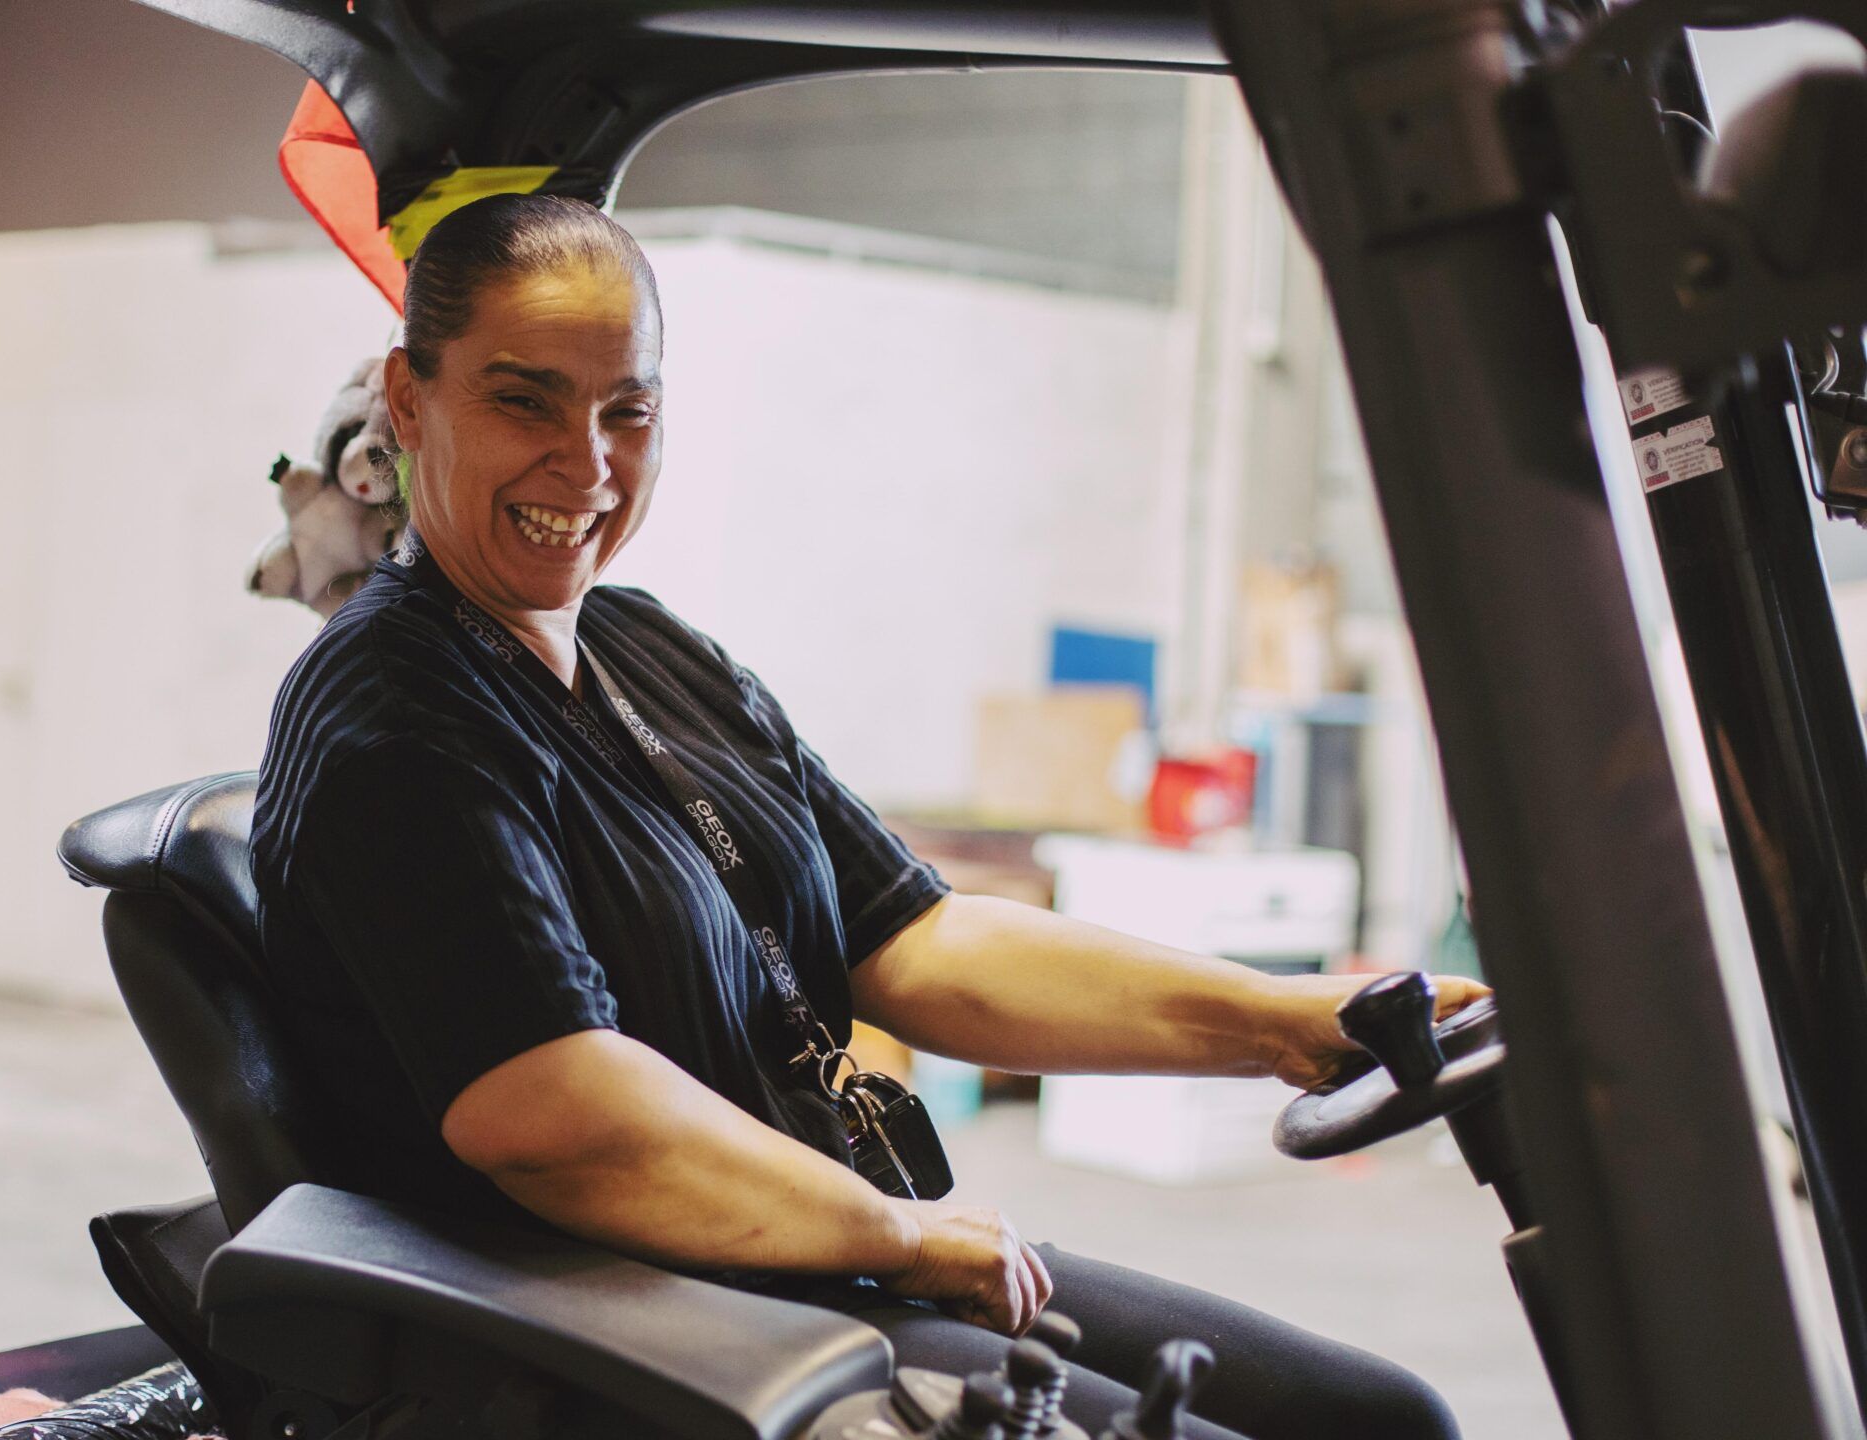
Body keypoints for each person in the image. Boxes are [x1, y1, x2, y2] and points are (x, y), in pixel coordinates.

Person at [250, 192, 1479, 1440]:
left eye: (629, 411)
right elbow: (556, 1120)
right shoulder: (393, 712)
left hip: (810, 1268)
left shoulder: (642, 646)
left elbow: (914, 940)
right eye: (524, 401)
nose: (588, 463)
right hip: (623, 1331)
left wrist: (1288, 1020)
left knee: (1384, 1418)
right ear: (409, 399)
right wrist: (895, 1235)